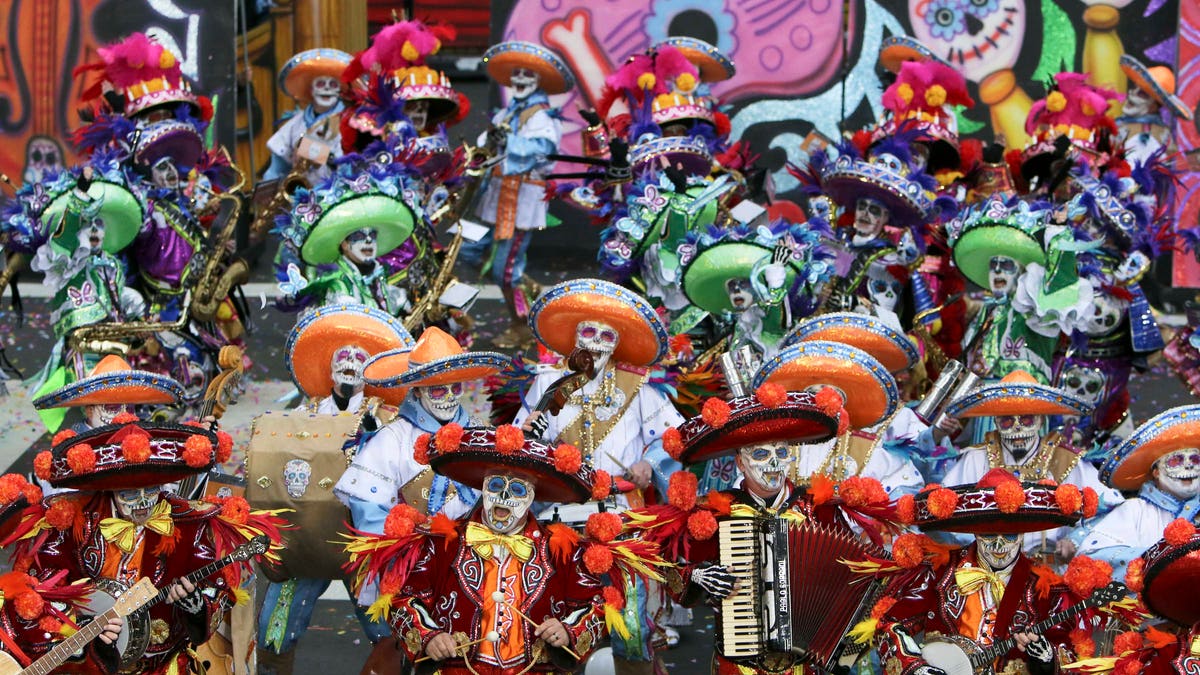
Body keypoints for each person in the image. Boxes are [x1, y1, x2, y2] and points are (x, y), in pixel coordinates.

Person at [638, 380, 892, 674]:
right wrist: (697, 576)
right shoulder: (714, 513)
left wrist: (848, 640)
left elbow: (858, 574)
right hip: (739, 662)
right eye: (760, 454)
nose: (774, 463)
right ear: (740, 464)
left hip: (803, 663)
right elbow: (671, 571)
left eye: (782, 454)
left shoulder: (819, 510)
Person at [9, 414, 283, 675]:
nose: (142, 503)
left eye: (150, 491)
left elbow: (216, 590)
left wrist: (196, 605)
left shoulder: (188, 523)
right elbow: (41, 589)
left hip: (163, 665)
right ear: (112, 491)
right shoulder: (75, 522)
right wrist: (80, 629)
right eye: (130, 494)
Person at [342, 425, 606, 674]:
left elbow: (597, 605)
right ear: (483, 489)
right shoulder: (443, 543)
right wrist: (429, 637)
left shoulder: (561, 550)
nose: (504, 497)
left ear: (531, 497)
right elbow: (402, 599)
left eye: (516, 489)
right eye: (495, 486)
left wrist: (568, 630)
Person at [257, 303, 416, 673]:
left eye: (359, 358)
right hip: (311, 533)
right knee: (273, 631)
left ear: (368, 371)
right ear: (329, 368)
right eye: (342, 357)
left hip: (364, 537)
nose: (349, 362)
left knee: (388, 630)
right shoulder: (301, 416)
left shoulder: (388, 418)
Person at [872, 470, 1106, 675]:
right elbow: (889, 624)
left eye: (1010, 536)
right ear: (974, 533)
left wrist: (1046, 658)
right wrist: (915, 667)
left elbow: (1070, 660)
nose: (998, 546)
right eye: (989, 536)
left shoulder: (1046, 589)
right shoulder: (940, 571)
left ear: (1023, 535)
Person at [941, 370, 1123, 557]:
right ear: (996, 422)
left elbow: (1111, 508)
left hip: (1048, 570)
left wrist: (1075, 539)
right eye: (1007, 421)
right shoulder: (975, 458)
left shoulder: (1065, 459)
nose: (1017, 427)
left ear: (1040, 420)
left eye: (1026, 419)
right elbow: (942, 510)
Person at [468, 41, 574, 349]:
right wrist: (492, 139)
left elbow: (543, 150)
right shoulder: (507, 111)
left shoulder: (543, 116)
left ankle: (523, 324)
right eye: (516, 75)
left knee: (504, 270)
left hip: (520, 203)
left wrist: (509, 140)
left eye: (527, 75)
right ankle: (523, 285)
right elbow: (484, 143)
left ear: (538, 81)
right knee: (470, 252)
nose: (520, 80)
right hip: (495, 199)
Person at [1071, 405, 1200, 577]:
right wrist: (1157, 561)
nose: (1189, 465)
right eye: (1176, 461)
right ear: (1156, 472)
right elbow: (1091, 555)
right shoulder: (1135, 509)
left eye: (1194, 458)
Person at [264, 49, 350, 184]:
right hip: (301, 196)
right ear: (311, 89)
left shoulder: (351, 122)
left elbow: (355, 164)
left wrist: (319, 154)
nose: (326, 89)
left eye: (333, 84)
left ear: (340, 90)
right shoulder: (294, 124)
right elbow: (276, 169)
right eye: (321, 84)